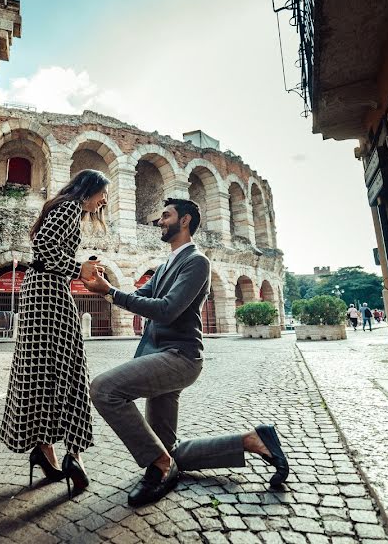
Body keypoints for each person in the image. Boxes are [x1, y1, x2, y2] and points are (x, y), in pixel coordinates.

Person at [81, 199, 289, 507]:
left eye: (166, 215)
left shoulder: (196, 261)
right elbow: (140, 296)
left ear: (186, 220)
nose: (159, 221)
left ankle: (159, 467)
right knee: (167, 448)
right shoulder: (166, 264)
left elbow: (166, 310)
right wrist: (105, 284)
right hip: (159, 354)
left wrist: (111, 293)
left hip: (180, 357)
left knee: (104, 389)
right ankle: (251, 441)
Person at [0, 169, 109, 497]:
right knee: (71, 366)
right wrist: (78, 269)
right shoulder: (69, 208)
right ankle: (70, 452)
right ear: (89, 190)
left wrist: (78, 269)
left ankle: (45, 448)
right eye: (103, 192)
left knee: (43, 369)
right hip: (48, 290)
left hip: (43, 288)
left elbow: (45, 246)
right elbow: (45, 244)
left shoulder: (63, 207)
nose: (104, 199)